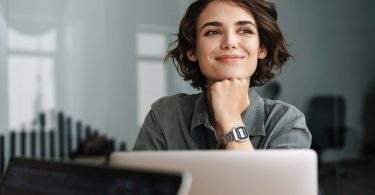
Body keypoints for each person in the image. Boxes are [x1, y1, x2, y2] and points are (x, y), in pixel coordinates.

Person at [133, 0, 311, 151]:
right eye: (213, 32)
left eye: (244, 30)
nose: (230, 43)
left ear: (262, 48)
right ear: (192, 51)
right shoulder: (164, 116)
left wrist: (230, 119)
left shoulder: (286, 123)